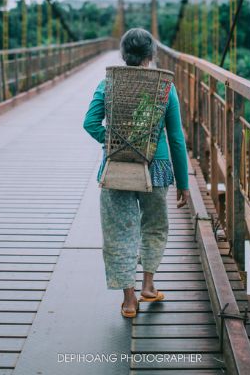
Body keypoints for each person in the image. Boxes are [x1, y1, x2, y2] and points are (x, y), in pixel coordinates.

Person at [82, 28, 190, 318]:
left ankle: (129, 301)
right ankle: (149, 286)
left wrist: (115, 144)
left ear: (123, 55)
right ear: (151, 56)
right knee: (154, 226)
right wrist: (184, 182)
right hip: (157, 167)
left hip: (117, 167)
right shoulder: (165, 87)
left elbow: (89, 123)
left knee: (120, 232)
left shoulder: (109, 83)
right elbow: (177, 138)